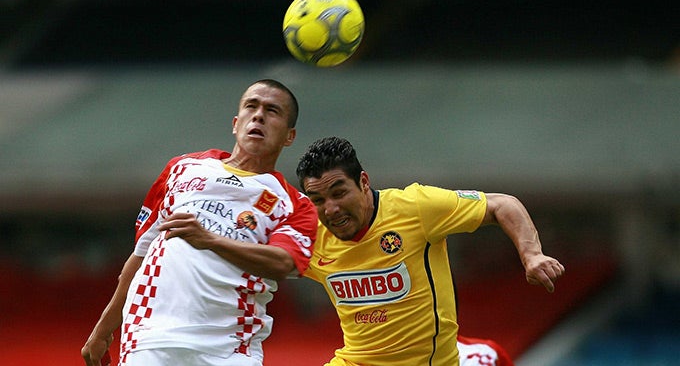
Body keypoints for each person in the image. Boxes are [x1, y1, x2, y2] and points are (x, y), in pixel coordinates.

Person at [81, 79, 317, 366]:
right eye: (251, 106)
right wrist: (104, 330)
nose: (258, 116)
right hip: (152, 337)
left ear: (289, 136)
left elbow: (282, 263)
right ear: (235, 122)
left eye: (272, 111)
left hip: (231, 348)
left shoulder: (296, 204)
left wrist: (210, 240)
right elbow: (141, 257)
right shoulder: (182, 168)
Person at [294, 136, 565, 366]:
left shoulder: (415, 207)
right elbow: (263, 257)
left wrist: (532, 255)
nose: (330, 209)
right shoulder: (311, 235)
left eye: (339, 193)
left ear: (364, 182)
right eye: (318, 200)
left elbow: (502, 204)